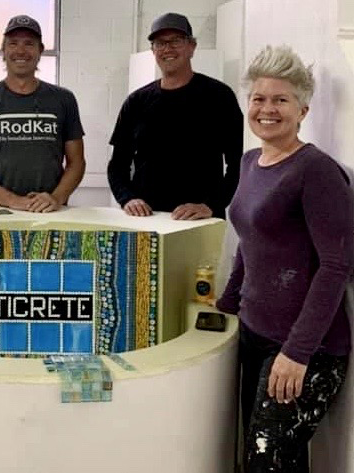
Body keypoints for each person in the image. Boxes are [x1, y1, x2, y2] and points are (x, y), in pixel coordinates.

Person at [216, 45, 353, 472]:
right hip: (254, 334)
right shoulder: (250, 161)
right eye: (259, 98)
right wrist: (226, 304)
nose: (267, 109)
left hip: (304, 349)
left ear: (303, 109)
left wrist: (296, 352)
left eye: (281, 100)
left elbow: (336, 266)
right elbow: (249, 241)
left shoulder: (317, 172)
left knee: (267, 462)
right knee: (264, 459)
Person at [108, 12, 243, 220]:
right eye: (160, 43)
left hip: (200, 219)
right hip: (147, 218)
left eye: (176, 41)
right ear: (153, 50)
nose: (167, 49)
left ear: (192, 47)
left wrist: (212, 205)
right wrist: (127, 198)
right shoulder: (136, 102)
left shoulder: (219, 96)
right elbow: (118, 164)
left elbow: (237, 164)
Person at [0, 15, 85, 213]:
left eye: (29, 44)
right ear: (4, 50)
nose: (20, 50)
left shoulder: (64, 99)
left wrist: (56, 198)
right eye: (13, 43)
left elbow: (76, 162)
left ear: (40, 51)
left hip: (51, 212)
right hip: (0, 212)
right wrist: (13, 201)